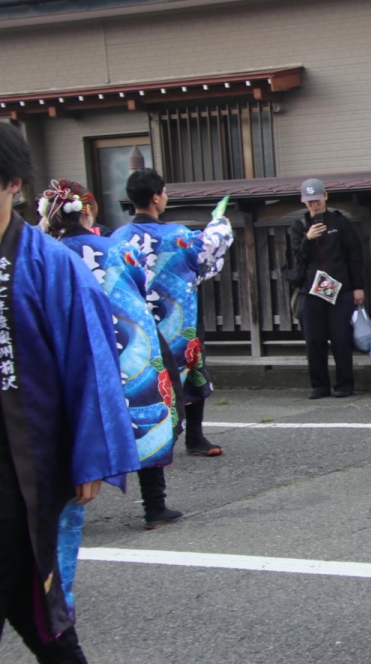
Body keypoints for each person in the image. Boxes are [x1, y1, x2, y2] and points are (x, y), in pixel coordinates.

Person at [0, 123, 139, 663]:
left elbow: (92, 365)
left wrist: (90, 459)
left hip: (25, 469)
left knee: (41, 610)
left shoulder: (50, 265)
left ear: (13, 184)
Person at [39, 179, 184, 531]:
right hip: (125, 342)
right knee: (144, 412)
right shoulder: (115, 247)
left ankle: (65, 511)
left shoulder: (47, 254)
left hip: (72, 349)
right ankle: (154, 507)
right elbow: (139, 283)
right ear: (88, 210)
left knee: (72, 422)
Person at [110, 169, 233, 456]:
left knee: (140, 380)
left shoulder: (118, 238)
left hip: (135, 325)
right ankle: (194, 437)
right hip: (177, 323)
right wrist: (220, 222)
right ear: (156, 198)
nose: (165, 197)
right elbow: (209, 248)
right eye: (164, 192)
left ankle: (146, 439)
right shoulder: (176, 236)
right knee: (189, 374)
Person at [288, 178, 366, 399]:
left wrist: (358, 287)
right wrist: (308, 239)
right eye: (309, 201)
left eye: (317, 199)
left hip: (341, 289)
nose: (314, 205)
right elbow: (297, 258)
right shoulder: (299, 226)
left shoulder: (340, 223)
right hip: (310, 290)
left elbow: (354, 256)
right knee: (314, 340)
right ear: (303, 202)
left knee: (341, 339)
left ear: (325, 196)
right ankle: (319, 386)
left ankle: (345, 385)